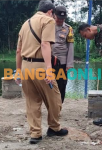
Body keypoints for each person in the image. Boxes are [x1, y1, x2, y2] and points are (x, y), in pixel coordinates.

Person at [15, 0, 68, 144]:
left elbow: (19, 50)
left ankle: (35, 134)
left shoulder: (25, 24)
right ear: (50, 11)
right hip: (40, 67)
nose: (55, 18)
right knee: (55, 98)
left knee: (32, 101)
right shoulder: (47, 21)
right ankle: (54, 128)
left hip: (25, 67)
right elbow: (45, 44)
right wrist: (49, 70)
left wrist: (18, 71)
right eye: (54, 15)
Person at [52, 6, 74, 103]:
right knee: (48, 84)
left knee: (62, 84)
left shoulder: (68, 29)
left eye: (63, 19)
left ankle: (59, 105)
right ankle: (51, 106)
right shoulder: (47, 25)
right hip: (48, 60)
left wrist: (69, 64)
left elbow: (70, 46)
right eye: (59, 18)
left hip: (62, 62)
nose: (60, 20)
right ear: (54, 15)